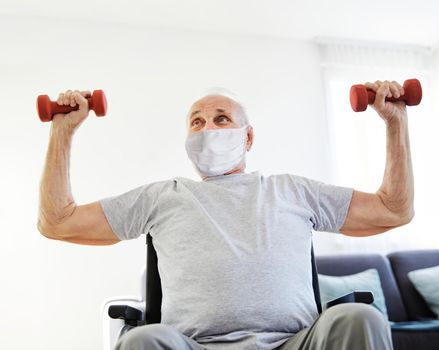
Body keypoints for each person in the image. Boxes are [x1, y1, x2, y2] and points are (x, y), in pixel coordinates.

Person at [38, 81, 414, 350]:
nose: (208, 129)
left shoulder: (293, 190)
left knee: (360, 318)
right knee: (142, 340)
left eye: (221, 119)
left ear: (248, 138)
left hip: (295, 343)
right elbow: (57, 221)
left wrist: (395, 123)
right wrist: (62, 132)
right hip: (194, 346)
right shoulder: (162, 196)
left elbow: (393, 209)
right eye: (197, 122)